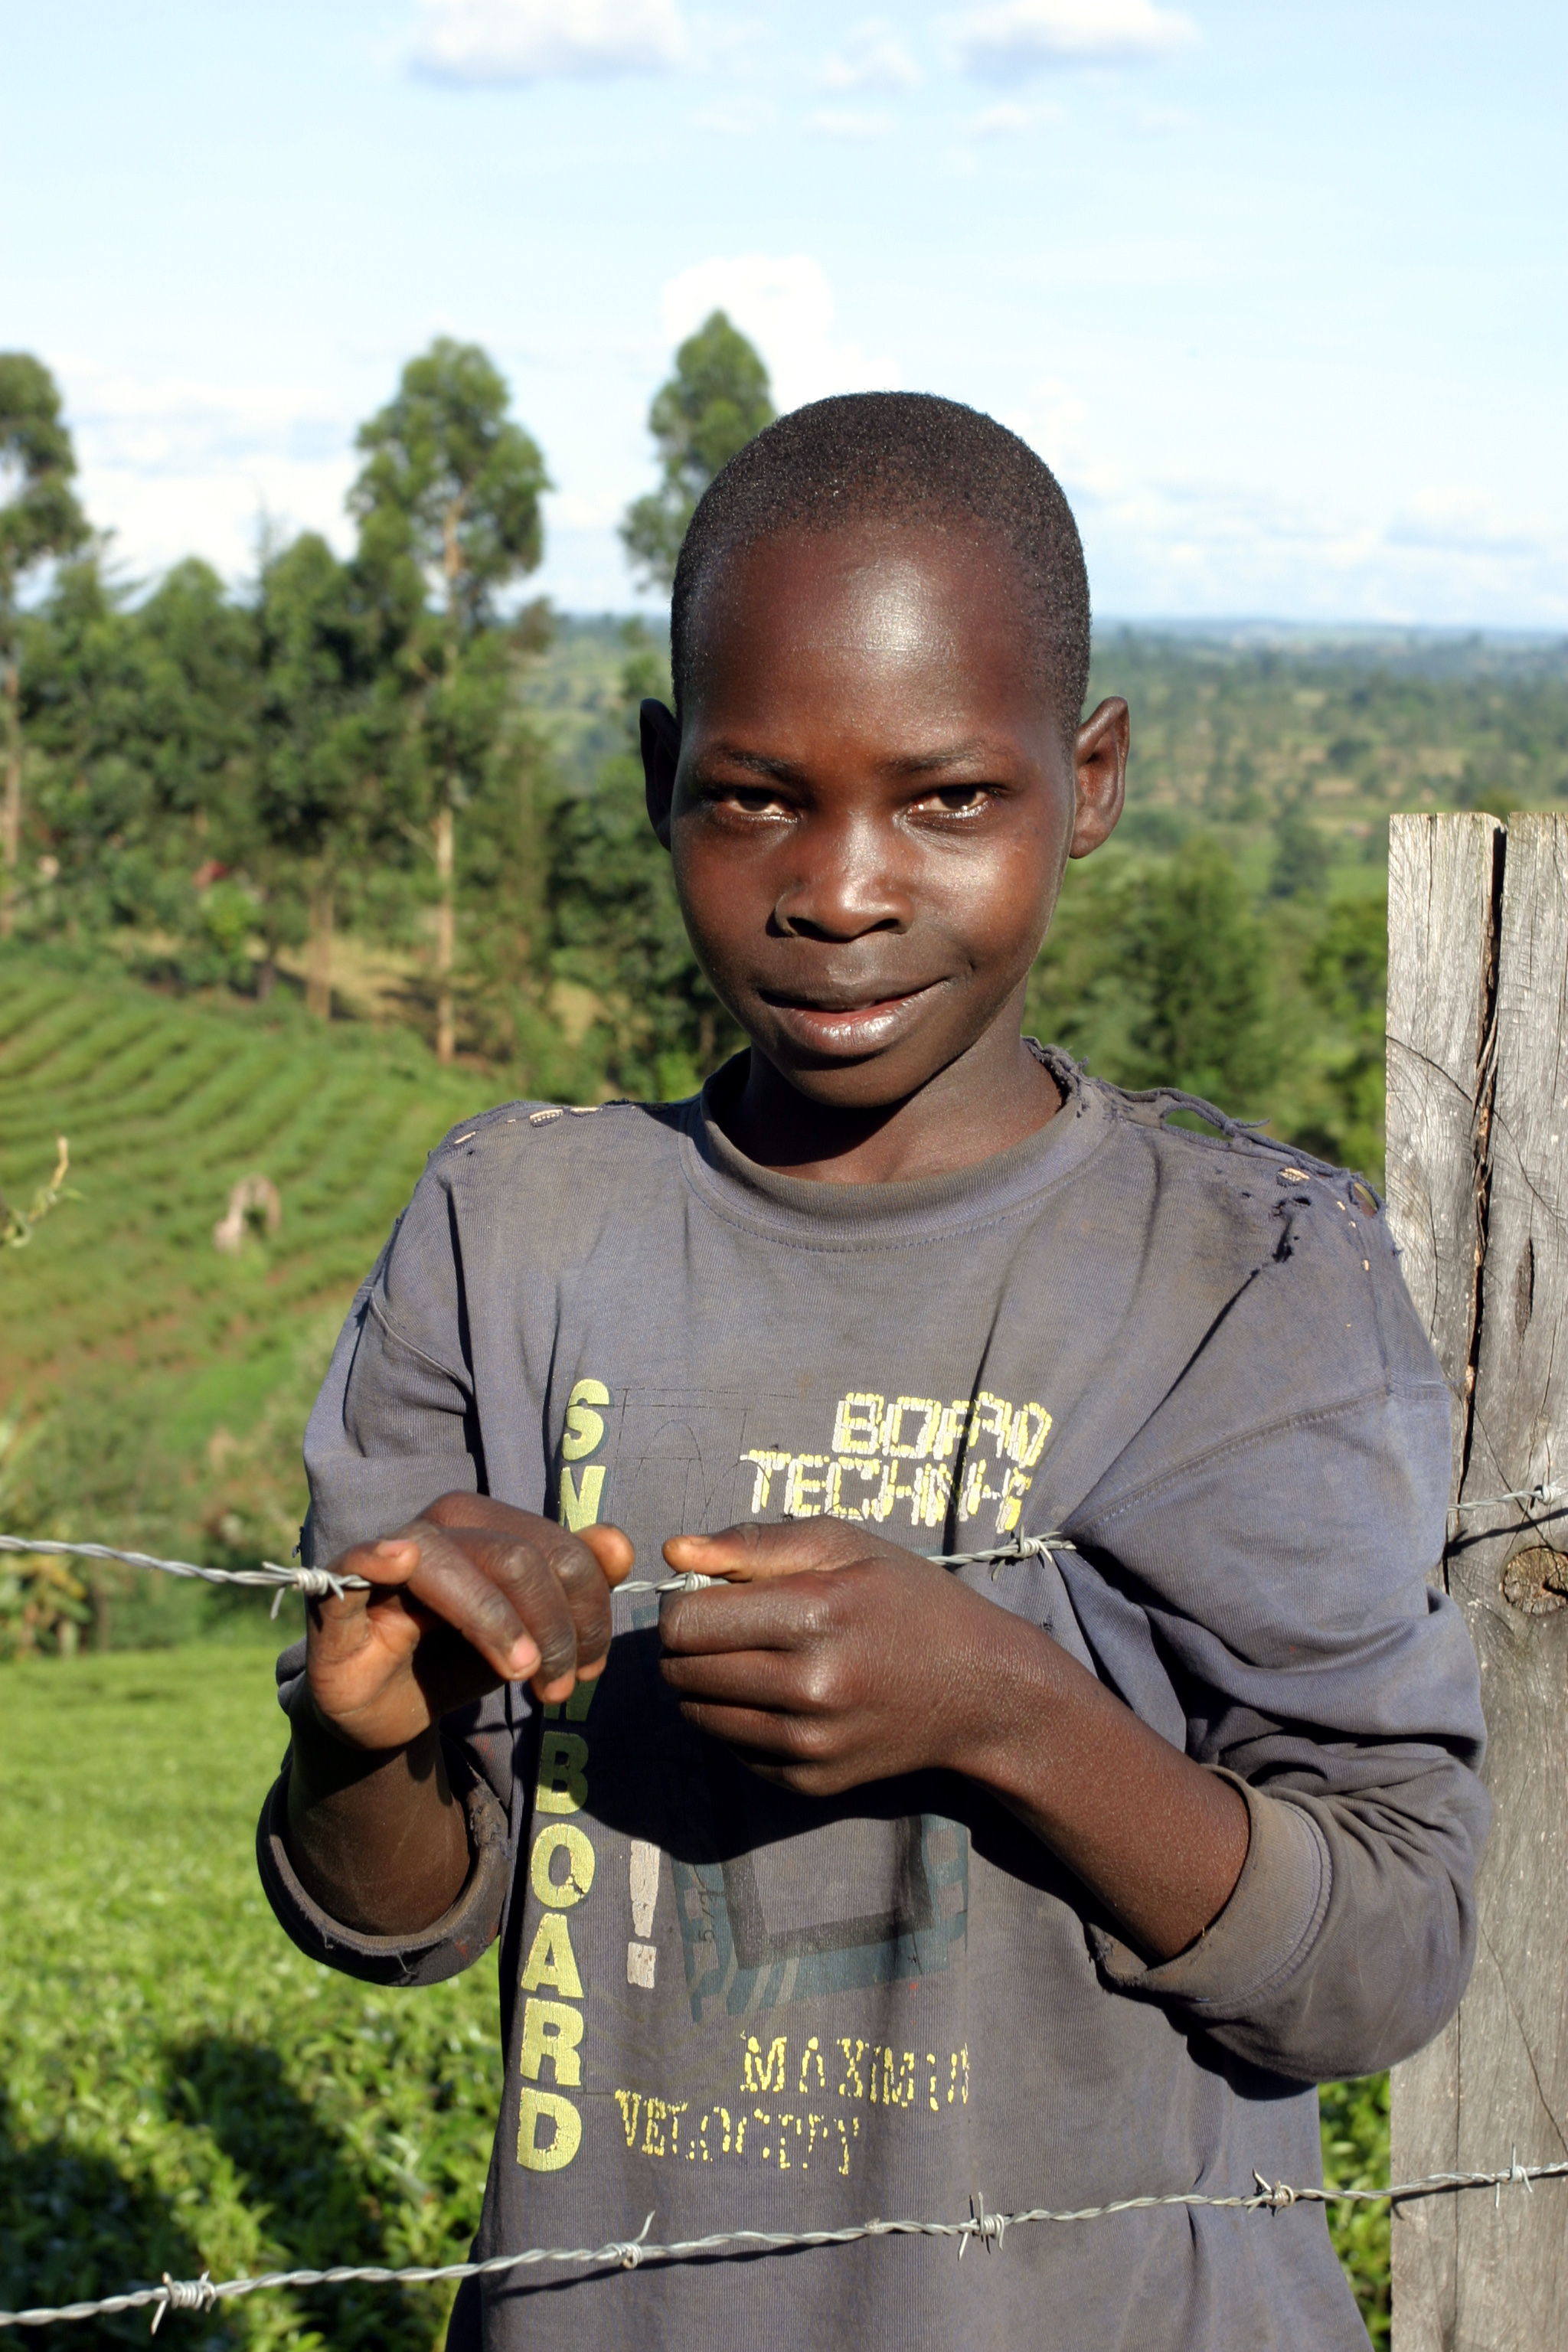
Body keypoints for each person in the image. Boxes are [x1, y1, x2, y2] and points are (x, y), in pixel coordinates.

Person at [258, 394, 1488, 2352]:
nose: (839, 889)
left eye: (946, 800)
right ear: (663, 775)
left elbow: (1384, 1960)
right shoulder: (519, 1235)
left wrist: (1008, 1712)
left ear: (1083, 783)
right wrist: (363, 1737)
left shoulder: (1237, 1279)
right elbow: (401, 1911)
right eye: (755, 796)